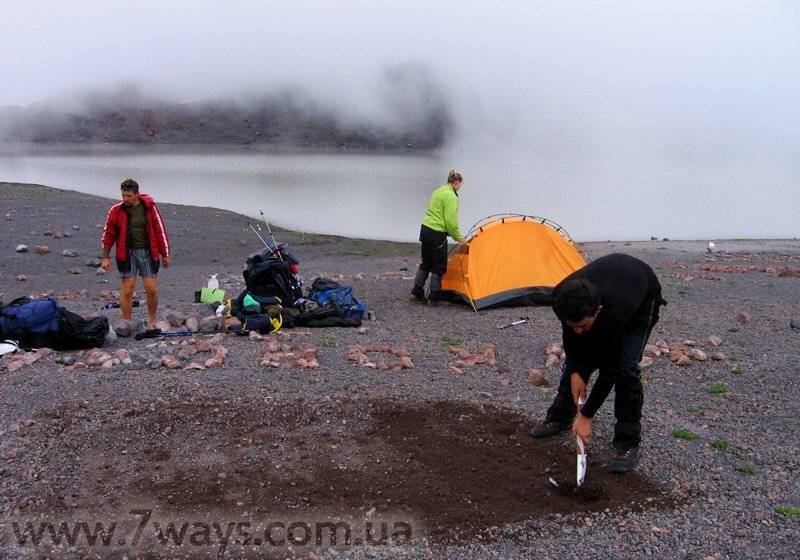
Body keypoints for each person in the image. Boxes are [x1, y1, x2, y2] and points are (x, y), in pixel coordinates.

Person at [530, 253, 666, 473]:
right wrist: (575, 370)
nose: (578, 330)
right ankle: (560, 417)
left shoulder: (615, 314)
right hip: (610, 283)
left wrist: (586, 415)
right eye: (573, 324)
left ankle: (627, 440)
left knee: (625, 367)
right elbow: (571, 336)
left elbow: (610, 369)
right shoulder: (560, 297)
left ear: (598, 311)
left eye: (583, 325)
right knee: (580, 359)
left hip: (642, 297)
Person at [101, 179, 171, 329]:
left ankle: (152, 321)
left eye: (128, 195)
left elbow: (160, 230)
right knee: (127, 290)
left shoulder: (149, 208)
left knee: (151, 289)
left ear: (137, 194)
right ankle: (127, 323)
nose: (125, 199)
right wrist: (105, 256)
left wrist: (164, 254)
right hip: (126, 253)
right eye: (123, 195)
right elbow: (109, 234)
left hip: (147, 251)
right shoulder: (116, 210)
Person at [411, 169, 467, 306]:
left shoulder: (438, 191)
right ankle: (435, 298)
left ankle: (416, 293)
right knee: (439, 266)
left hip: (425, 230)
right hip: (437, 233)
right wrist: (459, 238)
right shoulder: (451, 196)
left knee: (426, 262)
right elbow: (450, 221)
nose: (460, 187)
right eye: (461, 184)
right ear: (457, 182)